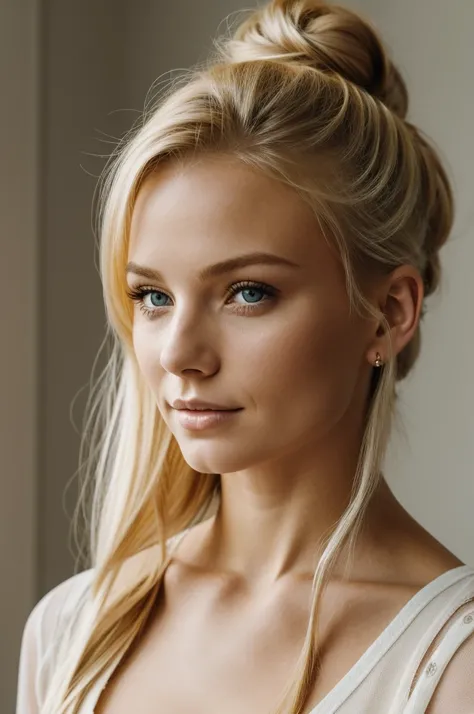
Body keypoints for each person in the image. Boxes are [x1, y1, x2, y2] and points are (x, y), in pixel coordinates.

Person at [15, 1, 474, 712]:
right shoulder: (71, 630)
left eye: (248, 292)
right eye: (153, 296)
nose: (181, 355)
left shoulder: (451, 663)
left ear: (390, 313)